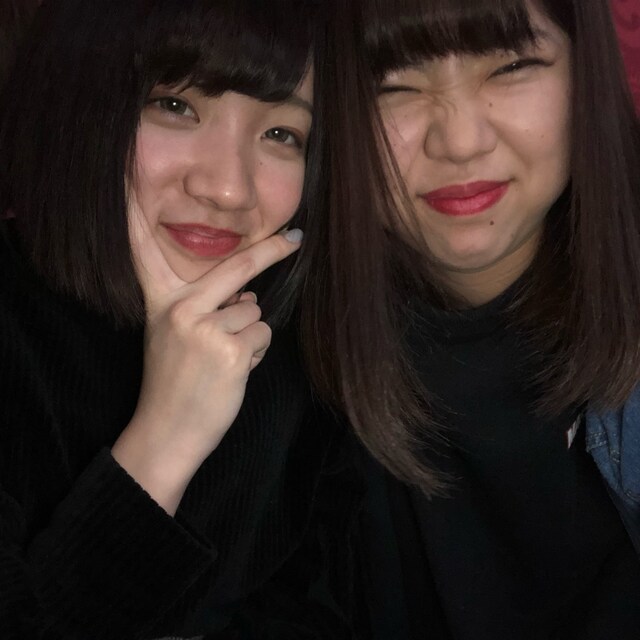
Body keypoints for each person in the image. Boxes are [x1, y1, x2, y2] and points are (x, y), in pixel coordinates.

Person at [0, 0, 343, 638]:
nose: (229, 188)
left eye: (281, 135)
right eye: (176, 105)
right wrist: (167, 437)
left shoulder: (307, 338)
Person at [305, 0, 640, 637]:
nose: (460, 141)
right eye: (392, 84)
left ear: (585, 72)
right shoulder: (267, 340)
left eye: (511, 65)